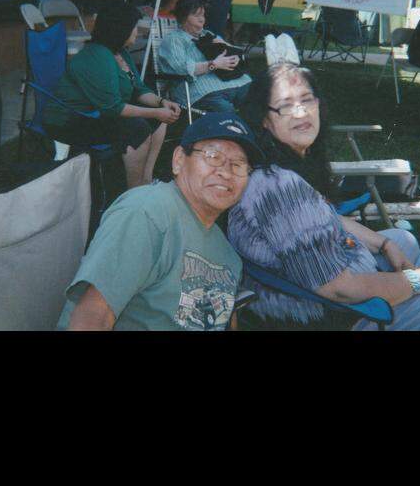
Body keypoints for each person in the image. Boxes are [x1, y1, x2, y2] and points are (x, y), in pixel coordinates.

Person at [228, 62, 420, 331]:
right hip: (319, 314)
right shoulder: (278, 186)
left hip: (323, 284)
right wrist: (419, 280)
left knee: (402, 241)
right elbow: (339, 290)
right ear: (265, 120)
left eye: (306, 100)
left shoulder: (285, 165)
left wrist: (384, 245)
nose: (301, 113)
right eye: (286, 105)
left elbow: (325, 217)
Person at [57, 112, 265, 331]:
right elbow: (91, 317)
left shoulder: (227, 254)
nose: (225, 172)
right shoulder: (147, 212)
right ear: (179, 161)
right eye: (213, 156)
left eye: (238, 165)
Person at [45, 0, 183, 189]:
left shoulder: (119, 52)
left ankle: (146, 180)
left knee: (158, 120)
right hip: (69, 120)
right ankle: (134, 192)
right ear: (120, 29)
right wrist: (156, 112)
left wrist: (161, 102)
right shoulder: (98, 56)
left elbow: (138, 89)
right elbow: (113, 108)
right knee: (138, 129)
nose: (137, 32)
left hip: (96, 113)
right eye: (134, 27)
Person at [156, 0, 252, 115]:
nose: (202, 19)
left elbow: (234, 52)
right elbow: (180, 68)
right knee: (225, 110)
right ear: (183, 18)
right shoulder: (174, 39)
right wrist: (213, 65)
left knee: (257, 96)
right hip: (199, 90)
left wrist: (231, 52)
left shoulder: (207, 34)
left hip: (231, 82)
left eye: (202, 15)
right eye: (196, 15)